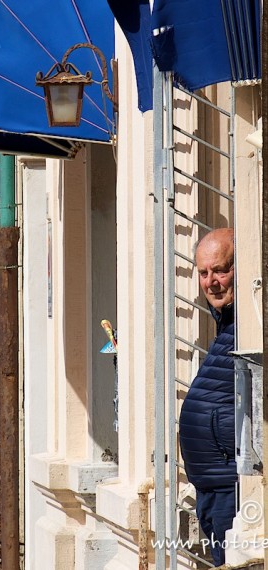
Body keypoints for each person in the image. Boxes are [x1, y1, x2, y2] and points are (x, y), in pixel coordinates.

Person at [179, 228, 236, 567]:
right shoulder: (228, 321)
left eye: (221, 269)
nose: (211, 281)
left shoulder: (250, 320)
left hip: (236, 491)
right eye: (203, 272)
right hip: (216, 489)